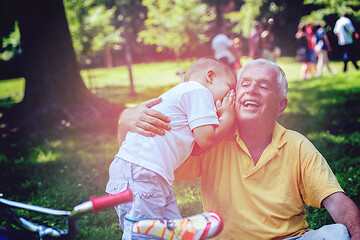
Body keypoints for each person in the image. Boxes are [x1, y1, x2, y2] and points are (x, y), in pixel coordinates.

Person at [118, 58, 360, 239]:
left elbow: (337, 202)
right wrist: (125, 120)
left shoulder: (297, 145)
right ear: (234, 94)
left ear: (280, 105)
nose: (251, 90)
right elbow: (143, 160)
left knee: (338, 233)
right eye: (244, 84)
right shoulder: (209, 139)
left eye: (263, 86)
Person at [107, 57, 237, 239]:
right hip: (142, 173)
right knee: (143, 232)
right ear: (210, 76)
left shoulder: (186, 98)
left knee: (173, 230)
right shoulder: (199, 91)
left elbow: (198, 147)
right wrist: (228, 117)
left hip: (150, 174)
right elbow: (207, 139)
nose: (230, 96)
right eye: (229, 88)